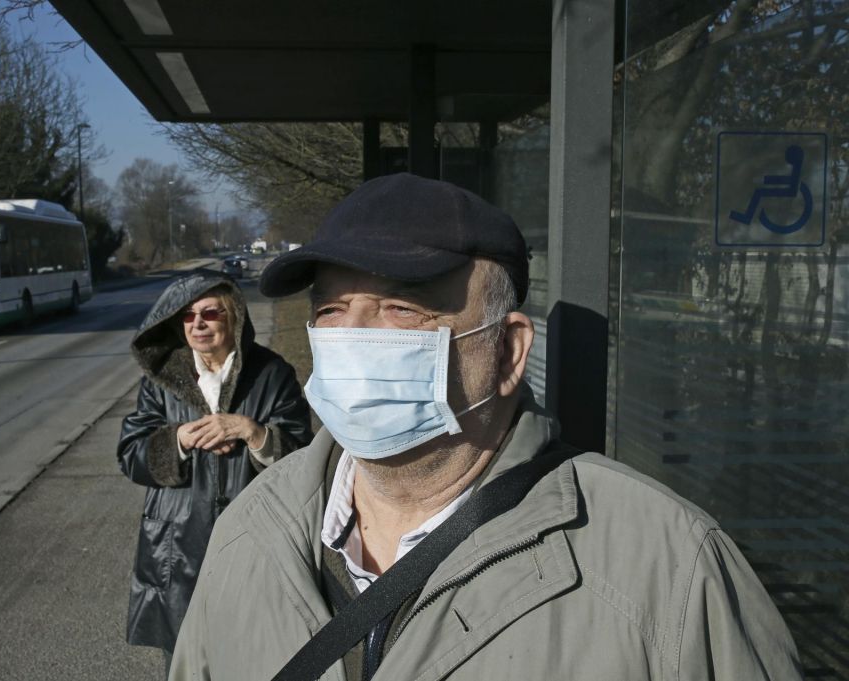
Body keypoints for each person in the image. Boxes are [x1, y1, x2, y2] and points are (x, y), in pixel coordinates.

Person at [168, 174, 802, 681]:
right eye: (332, 308)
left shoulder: (671, 569)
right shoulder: (249, 534)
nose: (354, 335)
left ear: (507, 352)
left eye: (402, 307)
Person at [117, 269, 313, 672]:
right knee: (187, 662)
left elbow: (304, 459)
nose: (198, 324)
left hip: (254, 539)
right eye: (188, 316)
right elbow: (131, 453)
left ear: (234, 317)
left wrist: (253, 432)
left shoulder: (272, 375)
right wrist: (179, 440)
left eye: (211, 313)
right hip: (177, 549)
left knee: (255, 657)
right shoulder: (160, 383)